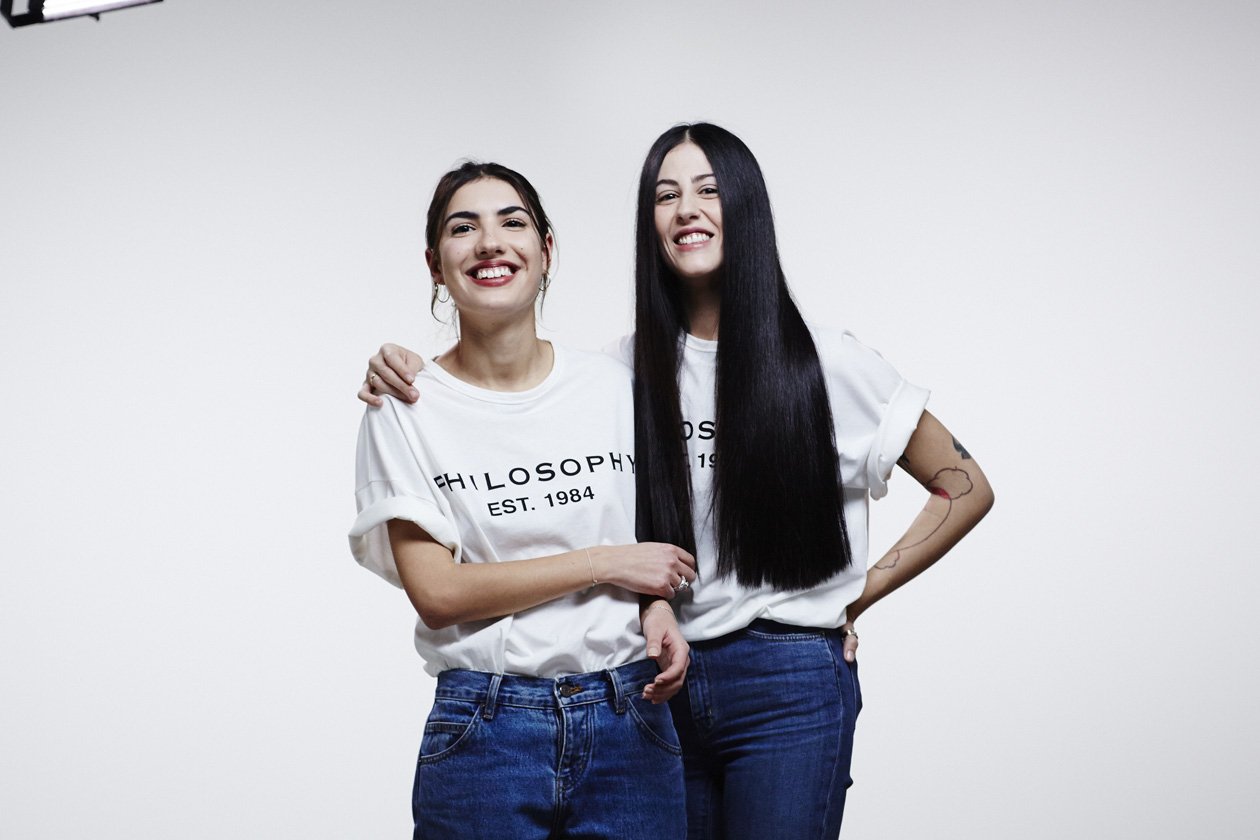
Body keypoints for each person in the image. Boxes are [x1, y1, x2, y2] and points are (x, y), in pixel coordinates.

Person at [359, 125, 995, 839]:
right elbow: (513, 394)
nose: (687, 208)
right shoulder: (624, 371)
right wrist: (405, 365)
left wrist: (859, 594)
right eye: (666, 195)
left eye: (709, 190)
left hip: (786, 676)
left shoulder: (825, 361)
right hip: (660, 678)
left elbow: (963, 485)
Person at [349, 161, 695, 839]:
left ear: (546, 250)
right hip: (487, 728)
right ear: (435, 263)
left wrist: (657, 605)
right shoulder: (405, 407)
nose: (490, 242)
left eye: (512, 222)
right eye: (463, 228)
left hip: (631, 714)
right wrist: (602, 563)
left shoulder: (615, 385)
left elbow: (658, 537)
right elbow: (439, 594)